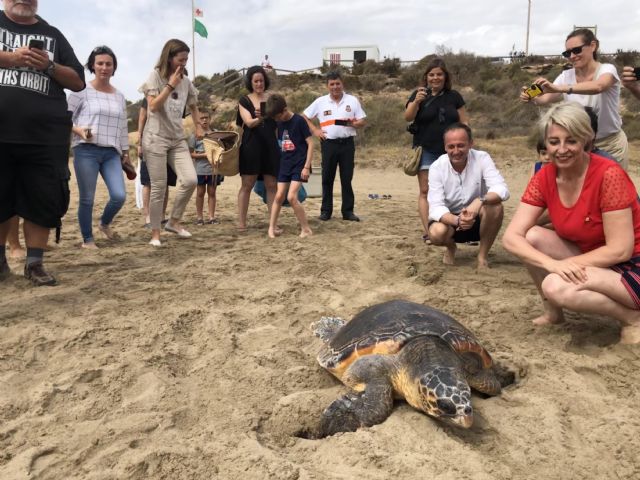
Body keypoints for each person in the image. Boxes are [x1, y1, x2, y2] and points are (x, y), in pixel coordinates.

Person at [502, 102, 640, 345]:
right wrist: (550, 263)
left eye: (571, 141)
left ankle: (632, 318)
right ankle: (553, 314)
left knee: (555, 286)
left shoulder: (609, 174)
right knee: (532, 237)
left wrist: (564, 266)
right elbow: (512, 236)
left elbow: (621, 249)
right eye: (554, 142)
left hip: (632, 265)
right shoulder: (545, 176)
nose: (561, 150)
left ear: (586, 139)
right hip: (596, 259)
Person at [0, 0, 85, 286]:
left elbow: (77, 81)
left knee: (43, 199)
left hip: (44, 137)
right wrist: (8, 59)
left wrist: (49, 65)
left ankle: (34, 263)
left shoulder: (54, 34)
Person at [519, 28, 629, 169]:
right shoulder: (566, 76)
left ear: (593, 46)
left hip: (610, 144)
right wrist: (531, 98)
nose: (572, 56)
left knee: (614, 187)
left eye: (576, 50)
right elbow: (545, 99)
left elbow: (599, 86)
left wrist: (561, 88)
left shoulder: (607, 70)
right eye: (567, 53)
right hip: (579, 147)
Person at [139, 38, 203, 247]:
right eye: (180, 59)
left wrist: (199, 126)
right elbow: (154, 107)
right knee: (159, 187)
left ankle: (174, 221)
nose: (184, 64)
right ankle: (156, 234)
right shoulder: (155, 76)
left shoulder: (186, 81)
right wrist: (170, 86)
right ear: (169, 57)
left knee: (191, 180)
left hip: (177, 138)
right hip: (155, 137)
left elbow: (193, 105)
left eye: (186, 60)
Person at [67, 45, 129, 249]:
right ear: (92, 66)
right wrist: (78, 131)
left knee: (119, 196)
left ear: (114, 67)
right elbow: (64, 118)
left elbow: (123, 126)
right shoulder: (81, 90)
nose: (104, 67)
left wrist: (126, 151)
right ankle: (88, 239)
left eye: (108, 64)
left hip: (112, 152)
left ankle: (104, 223)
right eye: (100, 63)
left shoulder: (119, 96)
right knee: (87, 198)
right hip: (85, 150)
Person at [427, 123, 509, 268]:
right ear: (445, 147)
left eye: (461, 145)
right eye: (451, 146)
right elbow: (435, 207)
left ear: (471, 143)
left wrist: (480, 200)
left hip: (478, 218)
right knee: (436, 232)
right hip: (451, 222)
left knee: (495, 207)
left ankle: (482, 256)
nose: (456, 151)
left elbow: (502, 189)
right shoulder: (436, 167)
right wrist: (457, 220)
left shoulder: (482, 158)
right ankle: (451, 247)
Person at [404, 58, 468, 242]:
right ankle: (429, 231)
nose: (435, 78)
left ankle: (456, 228)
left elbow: (464, 122)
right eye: (431, 75)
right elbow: (407, 117)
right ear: (426, 77)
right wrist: (416, 102)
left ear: (445, 76)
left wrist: (468, 142)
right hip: (427, 149)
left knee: (453, 189)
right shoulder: (418, 94)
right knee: (426, 190)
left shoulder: (454, 96)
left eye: (439, 74)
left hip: (452, 151)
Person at [303, 71, 367, 222]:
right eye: (332, 84)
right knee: (327, 178)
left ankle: (348, 212)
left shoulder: (352, 100)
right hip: (329, 144)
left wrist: (354, 123)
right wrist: (315, 130)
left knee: (346, 178)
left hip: (347, 144)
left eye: (338, 83)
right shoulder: (320, 102)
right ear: (327, 86)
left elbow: (362, 121)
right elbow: (304, 117)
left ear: (342, 84)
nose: (335, 87)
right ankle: (326, 211)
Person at [236, 65, 280, 231]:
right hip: (251, 146)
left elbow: (279, 123)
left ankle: (273, 224)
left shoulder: (273, 99)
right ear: (251, 82)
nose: (259, 84)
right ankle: (241, 223)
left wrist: (280, 144)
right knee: (247, 185)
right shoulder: (244, 100)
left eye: (261, 80)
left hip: (270, 146)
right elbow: (248, 123)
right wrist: (261, 117)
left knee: (272, 185)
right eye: (256, 81)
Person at [266, 93, 314, 238]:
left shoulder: (299, 121)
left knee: (292, 197)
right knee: (279, 195)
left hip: (299, 164)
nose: (277, 120)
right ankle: (271, 228)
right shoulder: (278, 122)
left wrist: (307, 166)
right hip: (285, 164)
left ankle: (306, 229)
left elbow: (311, 143)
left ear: (285, 110)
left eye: (278, 116)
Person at [137, 97, 177, 228]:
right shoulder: (149, 96)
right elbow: (142, 118)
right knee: (148, 182)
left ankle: (161, 216)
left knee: (165, 183)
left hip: (168, 143)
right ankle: (148, 217)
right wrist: (139, 143)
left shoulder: (175, 97)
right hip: (150, 142)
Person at [188, 110, 223, 225]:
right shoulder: (194, 135)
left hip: (214, 169)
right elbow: (190, 154)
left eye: (206, 118)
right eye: (202, 118)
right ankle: (199, 218)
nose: (204, 120)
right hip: (200, 170)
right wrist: (204, 155)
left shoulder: (216, 133)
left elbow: (222, 148)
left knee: (212, 192)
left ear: (210, 119)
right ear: (198, 120)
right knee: (200, 193)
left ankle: (212, 217)